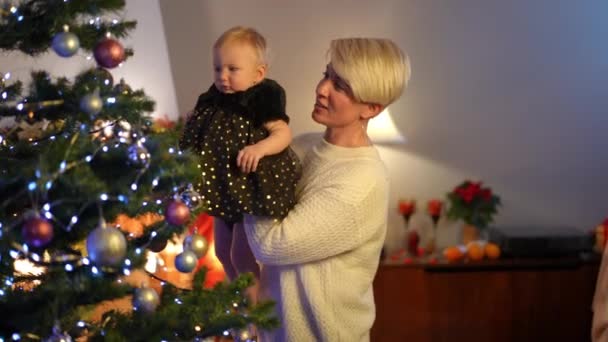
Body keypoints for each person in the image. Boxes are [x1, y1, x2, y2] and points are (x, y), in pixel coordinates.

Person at [243, 38, 410, 341]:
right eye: (327, 74)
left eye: (341, 86)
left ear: (371, 108)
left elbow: (270, 244)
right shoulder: (302, 145)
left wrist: (243, 182)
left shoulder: (362, 182)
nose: (322, 88)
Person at [179, 26, 300, 285]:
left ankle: (254, 308)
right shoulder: (215, 96)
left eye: (232, 69)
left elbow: (282, 133)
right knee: (222, 251)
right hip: (223, 188)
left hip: (250, 190)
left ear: (258, 74)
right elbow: (201, 120)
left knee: (240, 255)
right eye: (217, 68)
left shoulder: (262, 96)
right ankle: (240, 303)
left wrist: (259, 148)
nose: (223, 76)